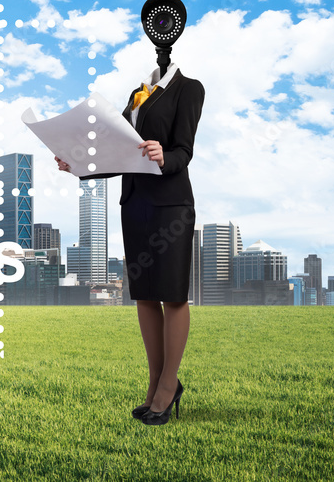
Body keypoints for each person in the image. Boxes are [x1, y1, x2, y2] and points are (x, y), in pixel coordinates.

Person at [55, 60, 204, 425]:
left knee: (173, 295)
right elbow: (118, 155)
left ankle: (170, 385)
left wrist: (163, 155)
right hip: (135, 205)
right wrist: (78, 166)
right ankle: (154, 383)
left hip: (171, 206)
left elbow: (184, 150)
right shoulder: (136, 97)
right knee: (145, 296)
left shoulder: (190, 88)